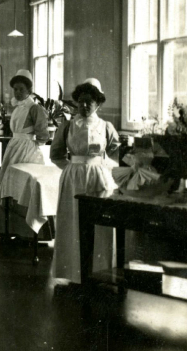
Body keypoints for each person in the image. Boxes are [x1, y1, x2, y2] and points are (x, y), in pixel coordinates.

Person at [50, 78, 119, 284]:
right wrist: (72, 168)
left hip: (99, 178)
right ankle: (74, 272)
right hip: (73, 178)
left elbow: (116, 151)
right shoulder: (68, 126)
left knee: (100, 224)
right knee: (73, 221)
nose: (84, 105)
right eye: (81, 101)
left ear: (98, 103)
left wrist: (104, 167)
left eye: (89, 101)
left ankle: (101, 271)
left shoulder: (106, 126)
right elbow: (56, 154)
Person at [0, 70, 50, 238]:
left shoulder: (35, 108)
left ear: (29, 90)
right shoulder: (17, 107)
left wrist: (30, 143)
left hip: (27, 150)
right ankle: (8, 227)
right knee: (9, 185)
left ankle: (27, 231)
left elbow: (43, 135)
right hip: (14, 146)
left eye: (21, 89)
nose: (18, 92)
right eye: (15, 89)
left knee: (23, 188)